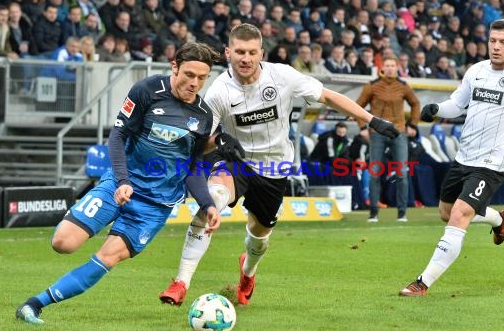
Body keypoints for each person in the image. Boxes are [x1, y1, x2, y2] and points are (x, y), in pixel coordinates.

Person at [159, 23, 399, 307]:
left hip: (275, 168)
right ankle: (181, 283)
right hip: (236, 163)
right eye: (239, 52)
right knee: (210, 203)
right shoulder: (219, 92)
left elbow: (328, 97)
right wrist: (219, 143)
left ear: (261, 52)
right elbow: (201, 143)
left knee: (259, 237)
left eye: (251, 52)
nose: (245, 58)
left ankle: (248, 272)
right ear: (227, 53)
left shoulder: (283, 75)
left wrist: (371, 120)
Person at [15, 42, 222, 324]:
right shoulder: (147, 91)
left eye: (202, 78)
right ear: (174, 66)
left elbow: (193, 166)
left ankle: (33, 305)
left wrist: (207, 203)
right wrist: (122, 181)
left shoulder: (203, 115)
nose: (195, 83)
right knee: (63, 242)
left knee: (107, 257)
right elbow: (117, 136)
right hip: (119, 185)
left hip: (155, 205)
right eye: (189, 74)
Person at [399, 19, 504, 297]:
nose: (496, 46)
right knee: (446, 214)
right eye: (492, 41)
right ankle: (500, 219)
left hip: (492, 163)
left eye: (503, 42)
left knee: (459, 215)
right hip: (463, 157)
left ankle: (422, 283)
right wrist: (436, 108)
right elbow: (457, 104)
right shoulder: (476, 71)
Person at [356, 53, 420, 223]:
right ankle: (373, 213)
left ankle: (402, 213)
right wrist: (362, 127)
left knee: (401, 173)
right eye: (388, 66)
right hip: (377, 133)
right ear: (382, 68)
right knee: (375, 173)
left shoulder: (404, 86)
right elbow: (357, 107)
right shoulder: (372, 86)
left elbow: (415, 104)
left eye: (393, 65)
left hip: (398, 131)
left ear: (397, 67)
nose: (391, 68)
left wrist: (413, 124)